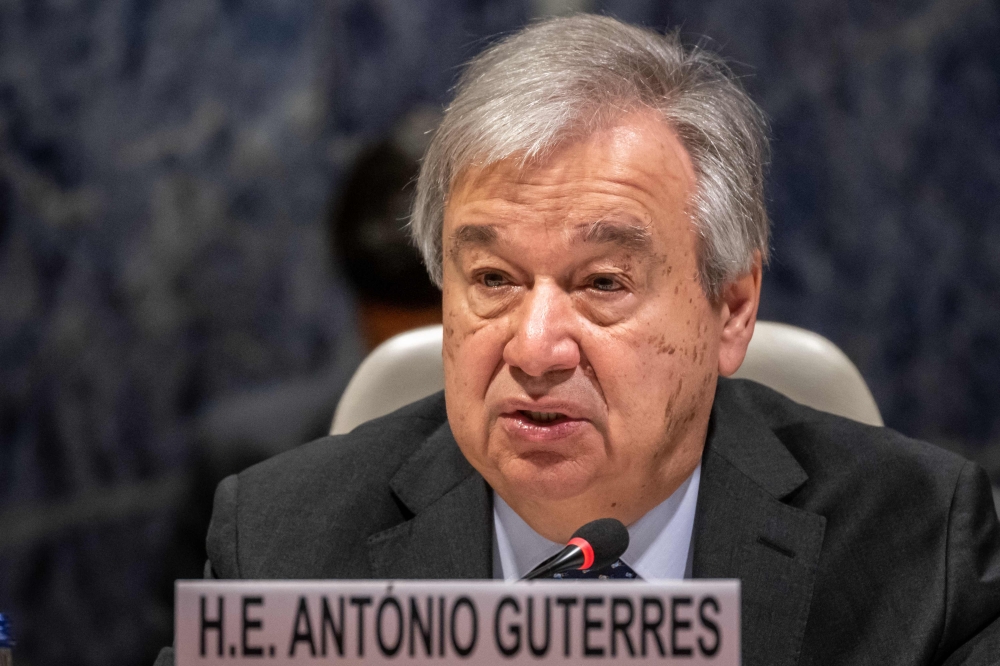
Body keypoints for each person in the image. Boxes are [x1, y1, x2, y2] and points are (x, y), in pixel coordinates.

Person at [155, 15, 1000, 666]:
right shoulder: (279, 544)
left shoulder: (917, 546)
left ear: (731, 308)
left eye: (602, 284)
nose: (534, 348)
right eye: (493, 280)